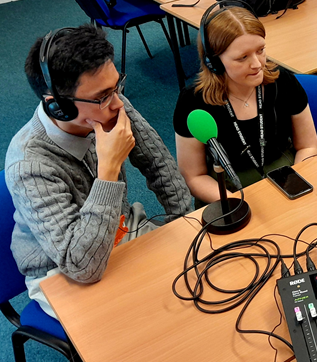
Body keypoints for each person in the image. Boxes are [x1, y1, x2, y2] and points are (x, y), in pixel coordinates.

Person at [6, 25, 192, 318]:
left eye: (117, 86)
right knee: (149, 319)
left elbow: (159, 164)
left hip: (119, 230)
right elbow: (81, 266)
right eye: (103, 95)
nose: (118, 102)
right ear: (59, 108)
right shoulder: (30, 166)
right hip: (61, 271)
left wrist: (183, 225)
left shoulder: (111, 104)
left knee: (192, 281)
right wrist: (108, 170)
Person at [173, 4, 317, 203]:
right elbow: (194, 176)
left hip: (287, 176)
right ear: (214, 63)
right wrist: (236, 205)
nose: (257, 64)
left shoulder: (282, 82)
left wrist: (297, 182)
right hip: (228, 191)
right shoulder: (193, 101)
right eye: (242, 58)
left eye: (261, 50)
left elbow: (308, 146)